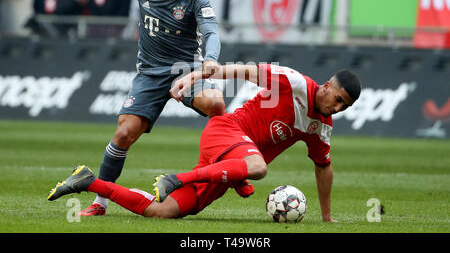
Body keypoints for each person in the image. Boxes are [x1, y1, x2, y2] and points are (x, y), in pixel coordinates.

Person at [48, 62, 361, 222]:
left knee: (163, 212)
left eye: (343, 106)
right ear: (326, 86)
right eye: (337, 99)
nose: (336, 107)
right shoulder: (293, 82)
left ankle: (88, 182)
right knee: (258, 168)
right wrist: (193, 78)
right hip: (226, 130)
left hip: (229, 161)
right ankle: (177, 179)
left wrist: (326, 217)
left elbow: (324, 167)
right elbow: (241, 71)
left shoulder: (322, 127)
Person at [76, 0, 227, 216]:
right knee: (124, 133)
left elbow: (211, 32)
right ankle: (100, 202)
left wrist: (211, 59)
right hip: (150, 72)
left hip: (187, 69)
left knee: (216, 104)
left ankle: (231, 172)